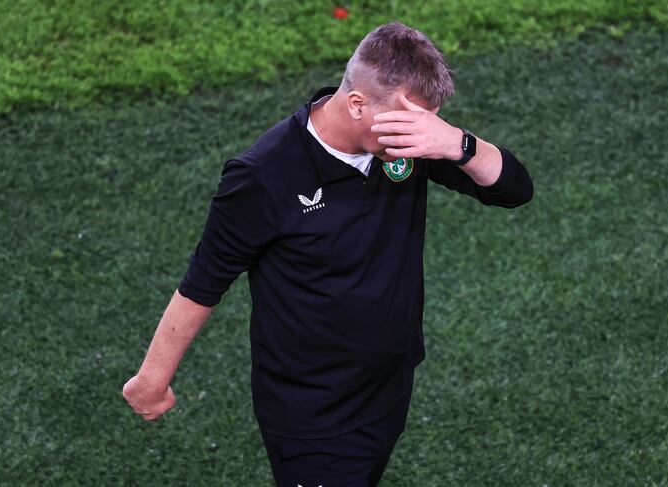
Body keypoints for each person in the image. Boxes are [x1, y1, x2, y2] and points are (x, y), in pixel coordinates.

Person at [123, 22, 533, 486]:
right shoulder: (263, 176)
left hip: (391, 384)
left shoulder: (412, 139)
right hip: (313, 414)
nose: (420, 132)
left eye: (428, 122)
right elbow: (204, 282)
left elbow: (514, 191)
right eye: (411, 121)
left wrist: (457, 144)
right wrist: (152, 379)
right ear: (357, 104)